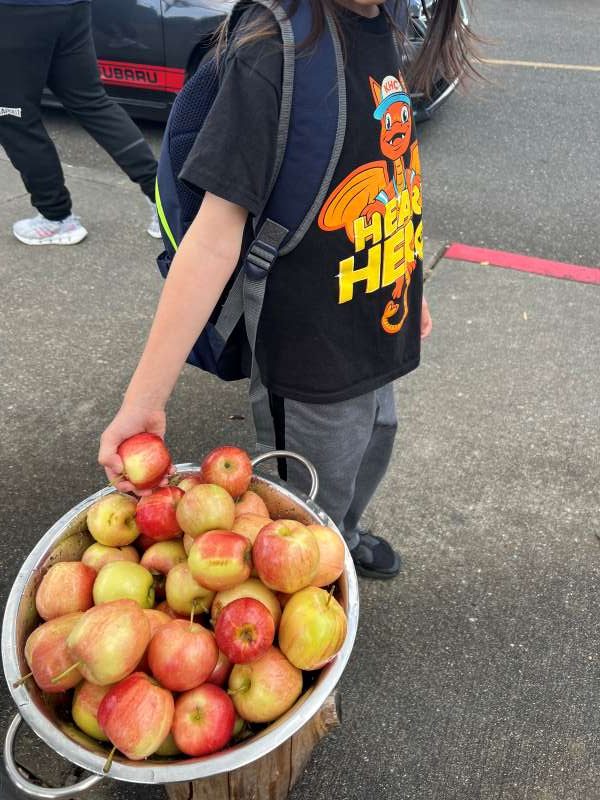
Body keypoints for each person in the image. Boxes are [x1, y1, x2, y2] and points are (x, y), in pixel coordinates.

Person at [98, 0, 477, 579]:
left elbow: (388, 170)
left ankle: (341, 536)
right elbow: (213, 240)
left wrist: (410, 277)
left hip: (375, 314)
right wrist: (143, 400)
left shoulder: (387, 17)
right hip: (308, 352)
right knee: (308, 489)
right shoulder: (272, 50)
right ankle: (310, 573)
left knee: (375, 437)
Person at [0, 0, 160, 245]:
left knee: (13, 115)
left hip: (19, 9)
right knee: (91, 102)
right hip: (71, 5)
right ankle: (165, 200)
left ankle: (56, 217)